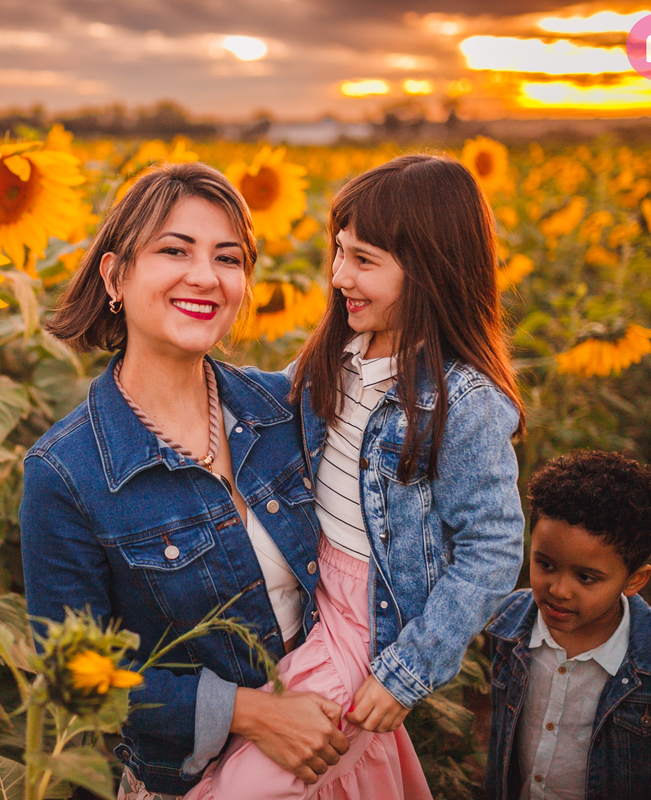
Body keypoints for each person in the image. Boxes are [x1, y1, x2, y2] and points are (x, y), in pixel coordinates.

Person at [188, 154, 526, 799]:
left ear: (431, 272)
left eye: (364, 260)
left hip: (369, 621)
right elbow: (266, 409)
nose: (340, 276)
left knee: (247, 786)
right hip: (307, 588)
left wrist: (407, 673)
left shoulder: (462, 401)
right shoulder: (340, 350)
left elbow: (492, 549)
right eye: (338, 252)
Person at [19, 161, 349, 800]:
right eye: (175, 250)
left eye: (228, 258)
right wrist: (252, 713)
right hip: (190, 785)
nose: (205, 276)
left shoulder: (286, 409)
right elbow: (75, 675)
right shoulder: (66, 471)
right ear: (116, 276)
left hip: (337, 758)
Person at [486, 450, 651, 800]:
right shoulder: (508, 623)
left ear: (634, 580)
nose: (559, 590)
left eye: (586, 577)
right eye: (545, 564)